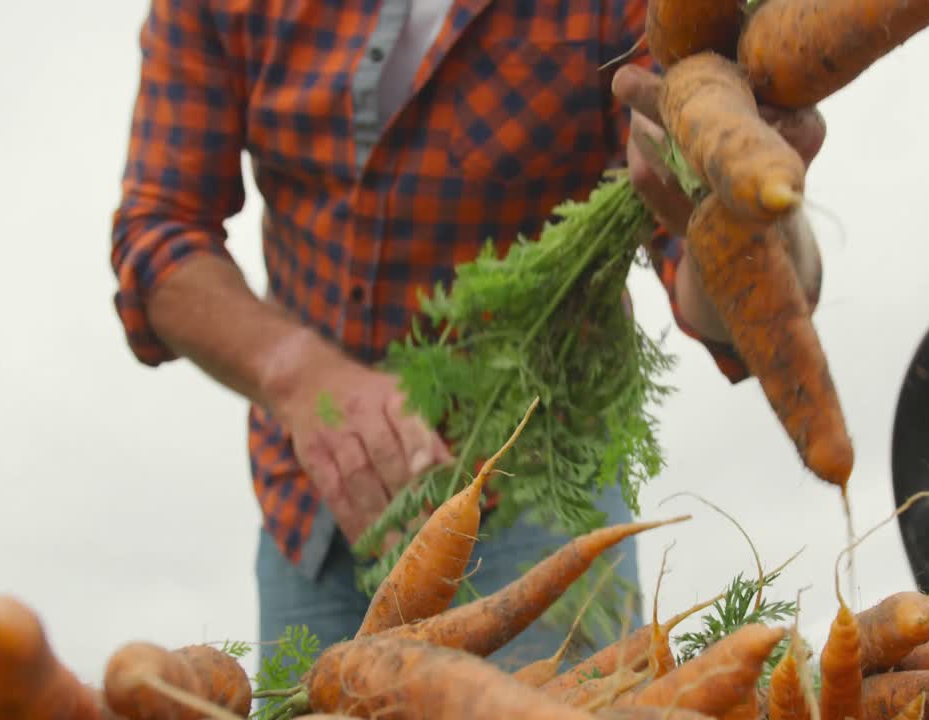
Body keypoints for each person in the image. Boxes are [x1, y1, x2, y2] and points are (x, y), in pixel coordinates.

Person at [109, 0, 826, 672]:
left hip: (545, 494)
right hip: (314, 505)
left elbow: (724, 304)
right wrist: (295, 373)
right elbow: (159, 227)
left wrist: (745, 206)